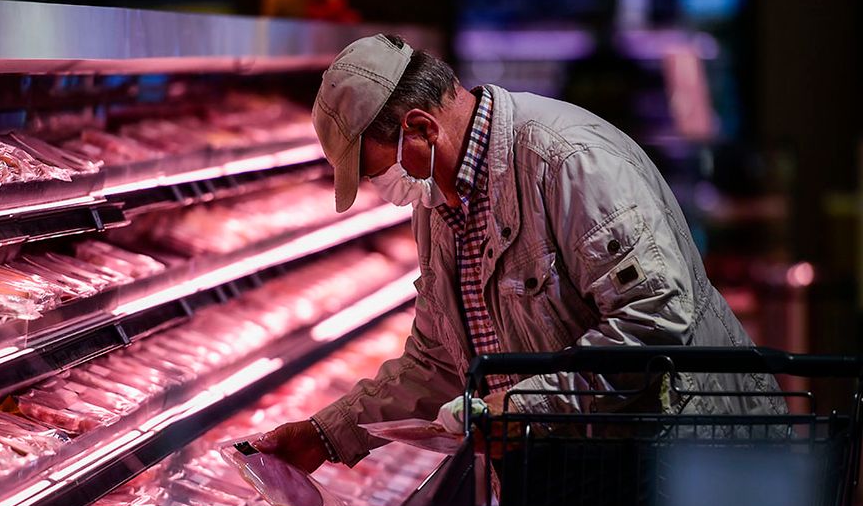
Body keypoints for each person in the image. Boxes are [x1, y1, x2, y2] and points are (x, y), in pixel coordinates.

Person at [254, 34, 786, 473]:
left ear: (420, 126)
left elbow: (654, 317)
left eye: (376, 170)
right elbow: (437, 357)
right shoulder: (440, 200)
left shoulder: (568, 163)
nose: (382, 187)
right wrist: (328, 434)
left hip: (685, 460)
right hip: (585, 466)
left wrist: (520, 405)